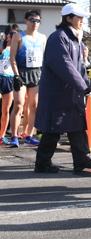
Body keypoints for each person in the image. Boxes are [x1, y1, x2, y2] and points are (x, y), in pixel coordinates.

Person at [34, 4, 91, 173]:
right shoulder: (58, 37)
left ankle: (81, 160)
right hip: (57, 92)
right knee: (53, 129)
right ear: (69, 18)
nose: (82, 21)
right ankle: (42, 163)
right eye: (79, 18)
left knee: (76, 126)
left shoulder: (73, 38)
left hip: (70, 92)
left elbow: (78, 67)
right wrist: (83, 86)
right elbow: (64, 65)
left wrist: (85, 85)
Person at [8, 10, 46, 147]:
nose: (35, 23)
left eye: (37, 21)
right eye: (32, 20)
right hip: (21, 73)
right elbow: (12, 57)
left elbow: (44, 58)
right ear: (26, 21)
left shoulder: (42, 38)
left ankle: (29, 135)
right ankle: (14, 136)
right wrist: (16, 74)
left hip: (36, 73)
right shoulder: (19, 36)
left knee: (34, 106)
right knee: (18, 105)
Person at [0, 25, 18, 144]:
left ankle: (1, 135)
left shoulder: (18, 51)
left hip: (10, 79)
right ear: (8, 37)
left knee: (6, 110)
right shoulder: (1, 48)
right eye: (13, 36)